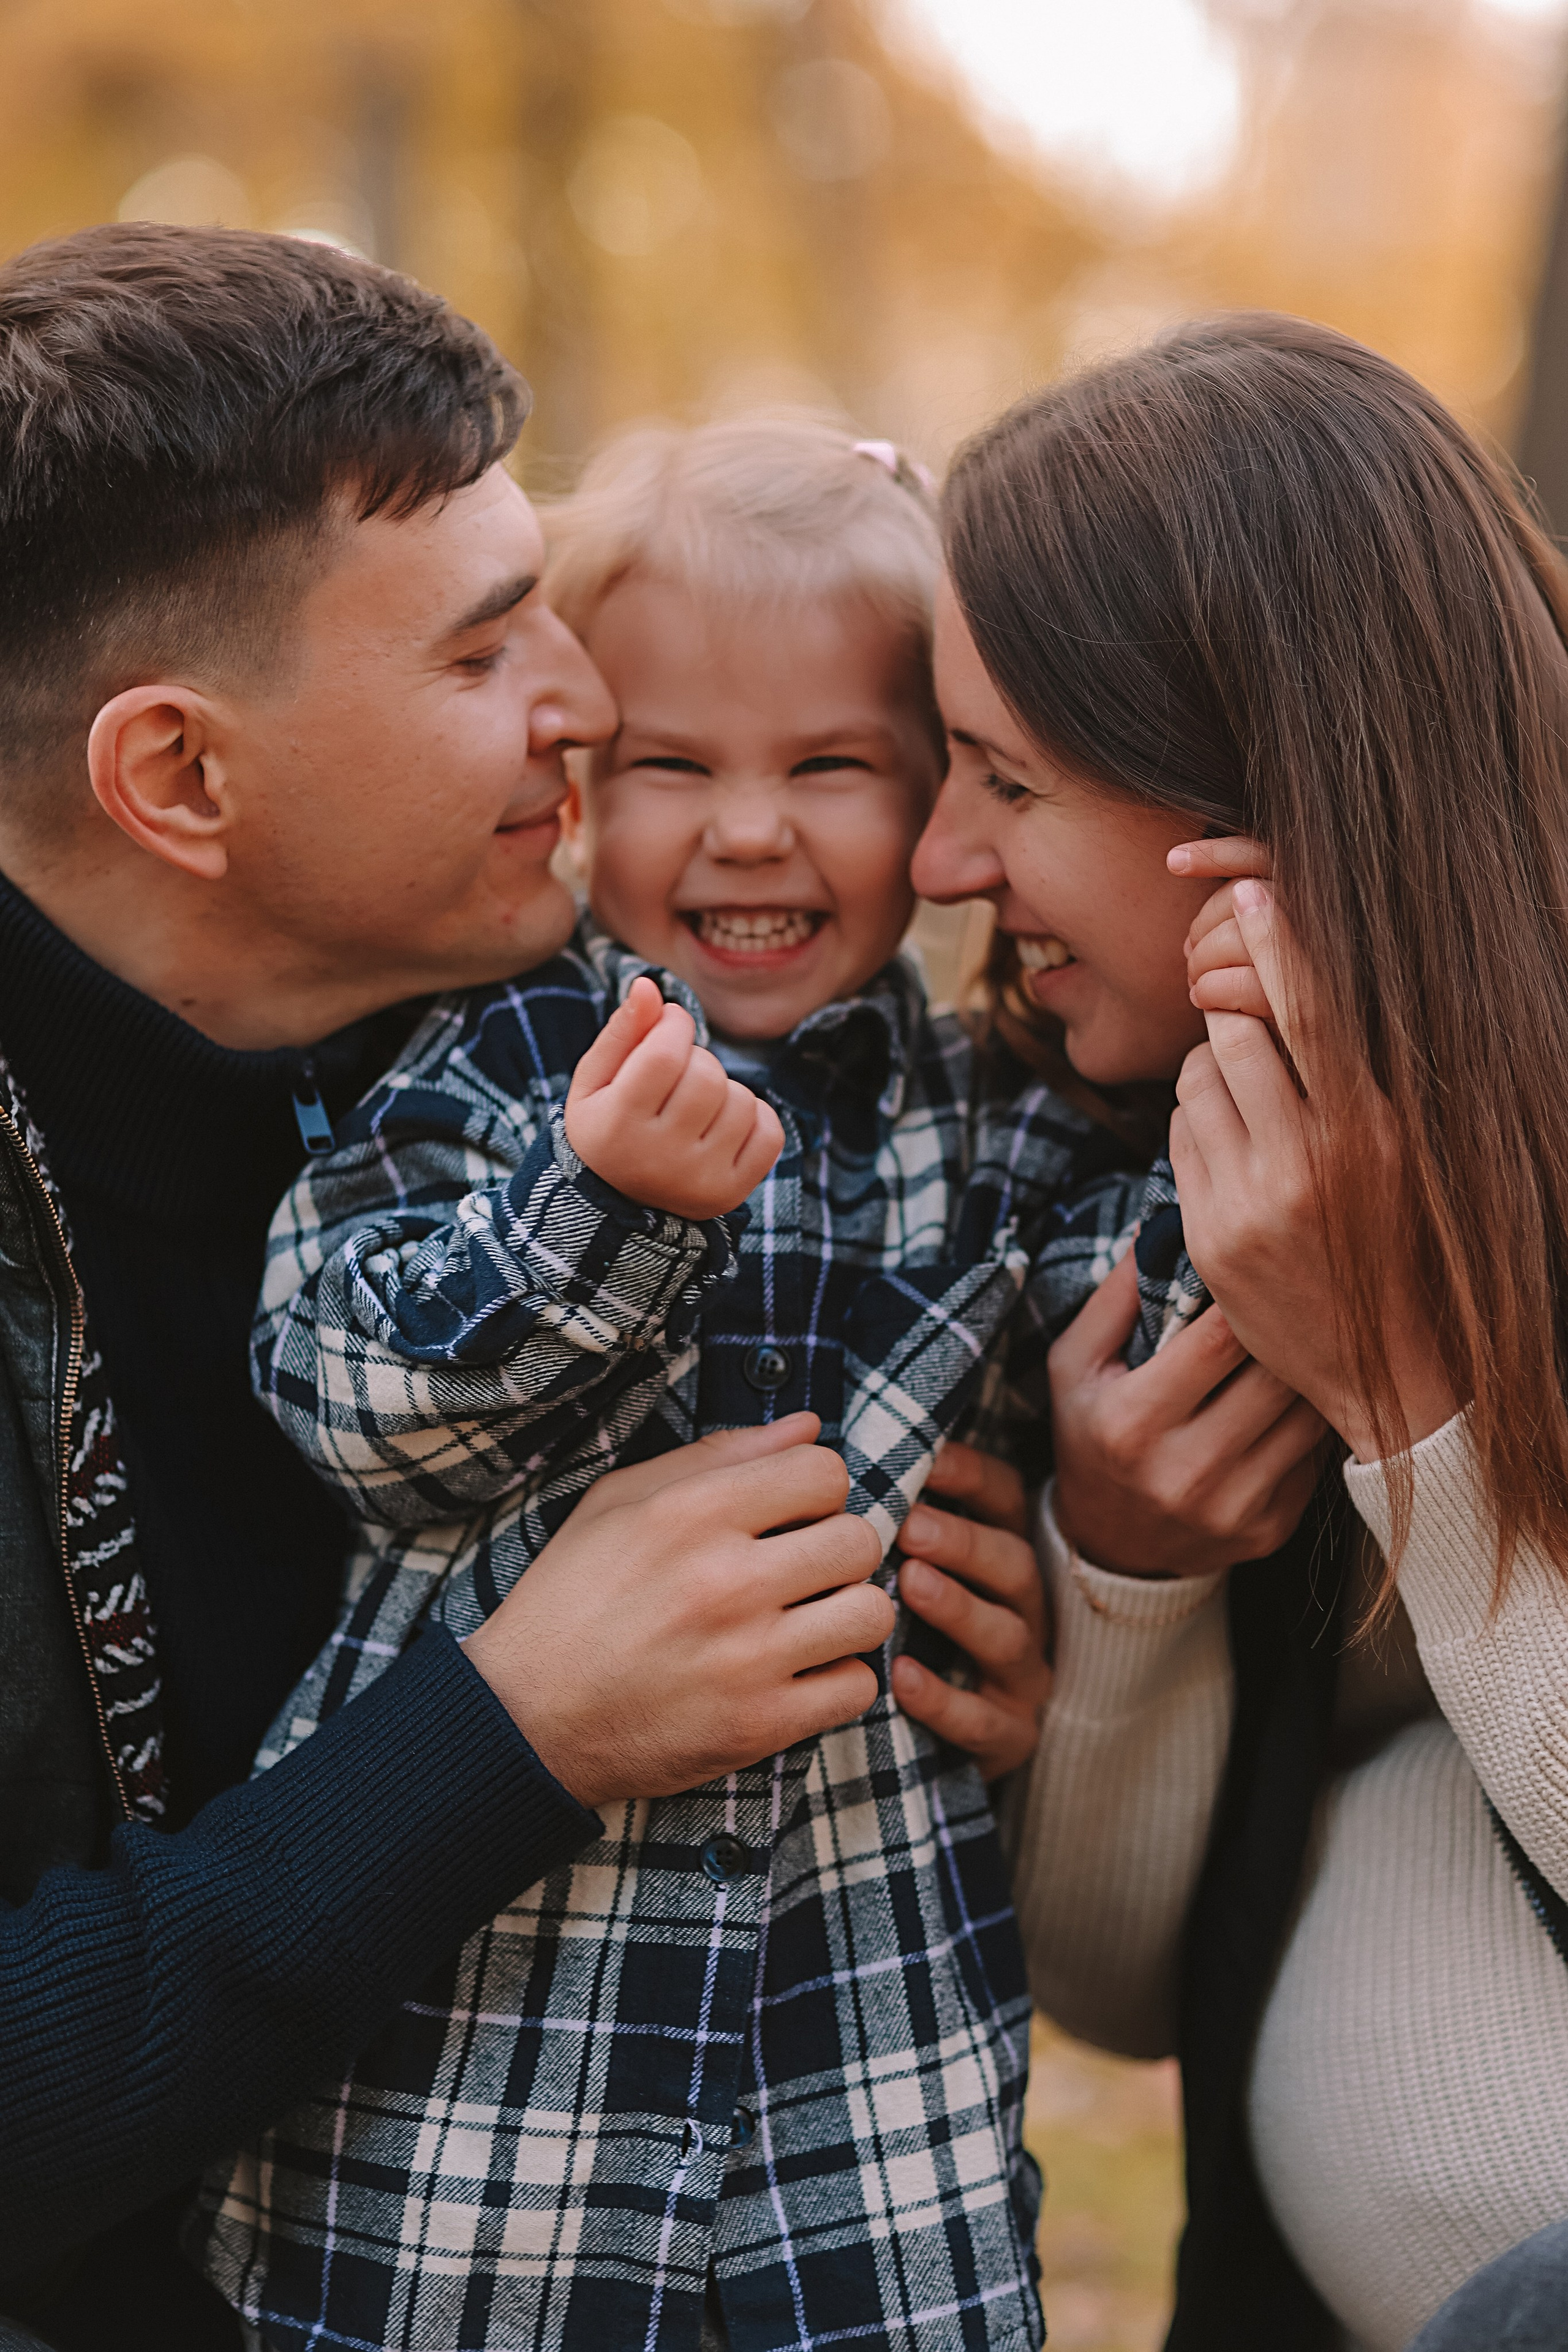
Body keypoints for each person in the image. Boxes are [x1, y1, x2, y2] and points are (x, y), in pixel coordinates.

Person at [0, 226, 1016, 2352]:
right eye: (484, 653)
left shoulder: (510, 1045)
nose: (588, 701)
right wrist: (521, 1728)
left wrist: (1092, 1597)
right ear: (178, 777)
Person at [194, 413, 1155, 2352]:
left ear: (939, 800)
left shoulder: (994, 1114)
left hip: (864, 2095)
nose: (746, 829)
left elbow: (1146, 1290)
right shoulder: (491, 1064)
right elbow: (348, 1386)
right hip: (488, 2093)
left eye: (832, 766)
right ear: (576, 776)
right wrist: (598, 1213)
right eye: (669, 765)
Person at [911, 314, 1568, 2350]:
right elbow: (1122, 1991)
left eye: (1007, 780)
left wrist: (1404, 1396)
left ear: (1261, 812)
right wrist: (1132, 1570)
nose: (942, 862)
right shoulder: (1161, 1195)